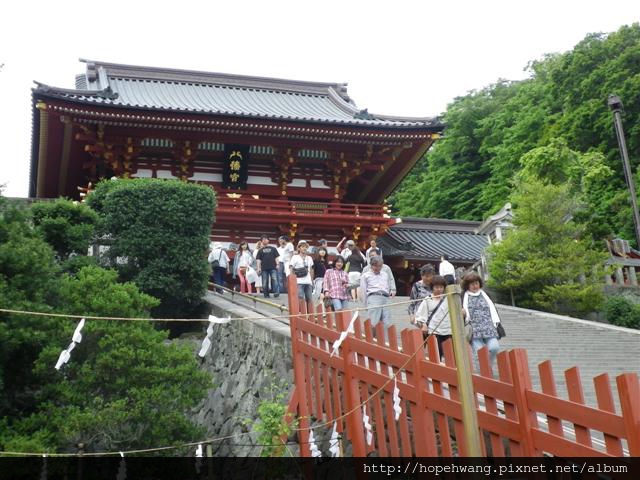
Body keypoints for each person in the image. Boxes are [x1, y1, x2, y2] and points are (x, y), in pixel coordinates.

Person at [461, 271, 502, 369]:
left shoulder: (485, 294)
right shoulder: (463, 296)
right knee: (480, 353)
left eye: (476, 283)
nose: (475, 286)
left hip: (489, 327)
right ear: (467, 285)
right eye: (472, 284)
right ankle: (483, 372)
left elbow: (493, 309)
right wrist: (462, 313)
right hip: (474, 329)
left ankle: (487, 367)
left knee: (494, 347)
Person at [360, 256, 396, 343]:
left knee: (386, 322)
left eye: (380, 266)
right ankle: (370, 341)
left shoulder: (385, 274)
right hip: (373, 297)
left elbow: (388, 284)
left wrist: (392, 290)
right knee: (373, 322)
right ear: (371, 265)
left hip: (385, 297)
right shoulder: (366, 275)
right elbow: (363, 290)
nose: (378, 268)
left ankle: (383, 342)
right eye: (376, 266)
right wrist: (366, 304)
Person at [414, 275, 450, 360]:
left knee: (450, 354)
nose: (439, 289)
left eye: (441, 287)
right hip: (434, 330)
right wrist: (423, 324)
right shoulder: (428, 299)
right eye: (436, 287)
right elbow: (420, 315)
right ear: (432, 287)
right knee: (437, 353)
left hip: (448, 330)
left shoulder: (448, 298)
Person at [289, 240, 314, 306]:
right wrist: (292, 279)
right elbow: (291, 268)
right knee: (300, 297)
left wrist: (312, 281)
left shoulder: (309, 258)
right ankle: (300, 313)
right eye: (302, 246)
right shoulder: (295, 257)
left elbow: (311, 270)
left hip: (308, 281)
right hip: (298, 281)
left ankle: (309, 314)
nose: (304, 248)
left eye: (306, 247)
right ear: (299, 248)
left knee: (309, 299)